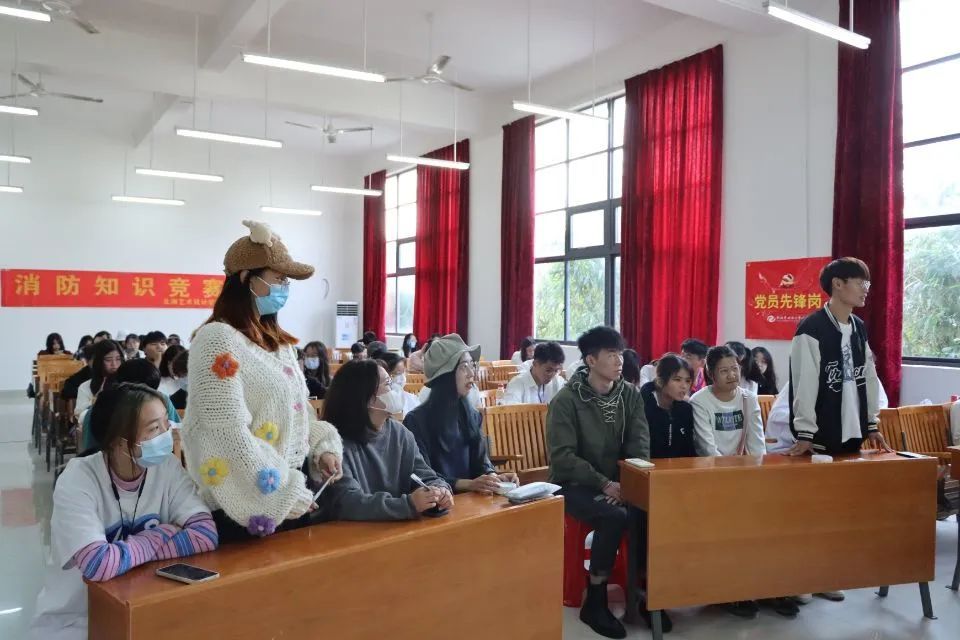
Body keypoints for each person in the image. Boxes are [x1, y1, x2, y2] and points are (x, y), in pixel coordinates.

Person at [181, 220, 343, 542]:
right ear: (246, 279)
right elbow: (226, 433)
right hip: (244, 499)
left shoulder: (279, 345)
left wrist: (321, 448)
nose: (285, 287)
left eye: (287, 280)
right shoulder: (217, 340)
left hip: (290, 493)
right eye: (278, 278)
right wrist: (284, 492)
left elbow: (298, 415)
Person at [30, 384, 217, 640]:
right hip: (78, 619)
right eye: (154, 428)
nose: (167, 434)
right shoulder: (78, 479)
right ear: (119, 442)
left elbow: (205, 535)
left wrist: (122, 556)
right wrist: (163, 533)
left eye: (166, 422)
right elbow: (98, 564)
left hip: (145, 608)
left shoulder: (167, 468)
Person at [547, 326, 651, 639]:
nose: (620, 361)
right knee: (614, 516)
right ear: (591, 360)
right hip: (573, 484)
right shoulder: (567, 400)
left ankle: (645, 591)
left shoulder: (629, 395)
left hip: (619, 483)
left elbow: (639, 444)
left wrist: (627, 484)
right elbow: (563, 457)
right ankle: (595, 599)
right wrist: (605, 485)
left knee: (650, 508)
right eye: (611, 355)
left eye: (621, 354)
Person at [320, 360, 453, 520]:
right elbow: (347, 502)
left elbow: (425, 475)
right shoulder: (334, 445)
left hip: (398, 528)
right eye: (388, 383)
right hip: (352, 532)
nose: (396, 388)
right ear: (368, 399)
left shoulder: (400, 433)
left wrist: (439, 490)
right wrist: (407, 505)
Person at [787, 257, 889, 457]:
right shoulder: (812, 328)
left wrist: (871, 424)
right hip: (820, 437)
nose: (865, 290)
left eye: (867, 284)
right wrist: (805, 432)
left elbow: (868, 377)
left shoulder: (859, 327)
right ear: (838, 284)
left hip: (855, 434)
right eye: (860, 283)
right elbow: (805, 383)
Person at [404, 334, 518, 494]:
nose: (472, 373)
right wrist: (468, 484)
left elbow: (481, 463)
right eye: (464, 366)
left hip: (474, 498)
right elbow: (422, 476)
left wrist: (493, 476)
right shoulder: (416, 421)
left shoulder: (473, 415)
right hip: (440, 501)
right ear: (445, 375)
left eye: (472, 365)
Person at [80, 359, 182, 453]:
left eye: (152, 391)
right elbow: (91, 451)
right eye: (142, 393)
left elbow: (177, 435)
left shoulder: (161, 400)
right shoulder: (101, 410)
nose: (148, 397)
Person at [691, 345, 765, 458]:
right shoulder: (699, 401)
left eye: (735, 368)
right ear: (710, 373)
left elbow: (757, 445)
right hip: (709, 465)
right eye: (724, 371)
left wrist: (758, 465)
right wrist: (726, 467)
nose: (731, 375)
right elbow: (707, 448)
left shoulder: (749, 399)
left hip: (738, 465)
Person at [641, 354, 697, 458]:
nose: (684, 386)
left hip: (679, 467)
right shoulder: (642, 406)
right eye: (677, 379)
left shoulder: (686, 409)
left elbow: (689, 449)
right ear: (660, 381)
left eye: (688, 381)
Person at [501, 341, 566, 405]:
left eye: (556, 370)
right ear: (535, 364)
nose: (552, 375)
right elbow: (510, 410)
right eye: (548, 370)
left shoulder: (557, 381)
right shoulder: (517, 383)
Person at [75, 341, 124, 425]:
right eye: (108, 360)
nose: (114, 364)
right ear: (99, 361)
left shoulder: (128, 382)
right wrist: (95, 401)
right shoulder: (85, 387)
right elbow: (80, 416)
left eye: (118, 359)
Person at [375, 351, 420, 415]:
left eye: (403, 372)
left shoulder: (408, 397)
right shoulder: (380, 401)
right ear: (385, 374)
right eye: (396, 374)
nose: (402, 378)